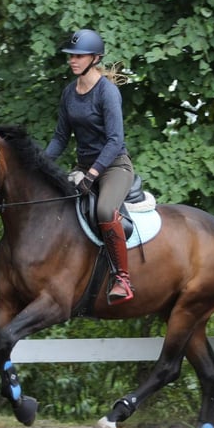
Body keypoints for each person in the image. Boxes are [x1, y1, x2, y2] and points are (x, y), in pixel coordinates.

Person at [45, 28, 135, 305]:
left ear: (95, 58)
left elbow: (114, 139)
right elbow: (61, 137)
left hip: (113, 167)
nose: (72, 60)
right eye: (71, 56)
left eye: (79, 56)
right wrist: (37, 163)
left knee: (105, 209)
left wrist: (93, 173)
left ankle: (123, 278)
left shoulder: (107, 92)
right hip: (83, 167)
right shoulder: (69, 93)